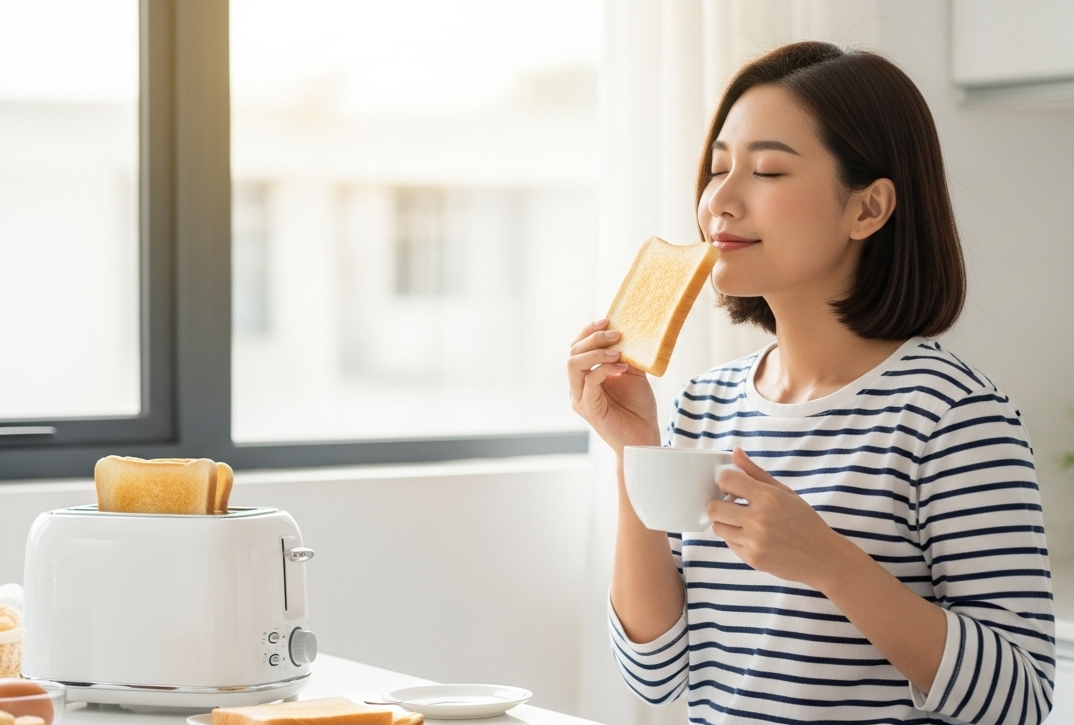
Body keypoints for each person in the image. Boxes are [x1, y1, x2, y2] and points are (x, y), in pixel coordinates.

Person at [567, 41, 1054, 724]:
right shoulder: (706, 404)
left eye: (767, 170)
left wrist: (830, 562)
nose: (719, 203)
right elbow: (654, 674)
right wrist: (634, 449)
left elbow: (1023, 697)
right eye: (717, 169)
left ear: (868, 208)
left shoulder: (951, 414)